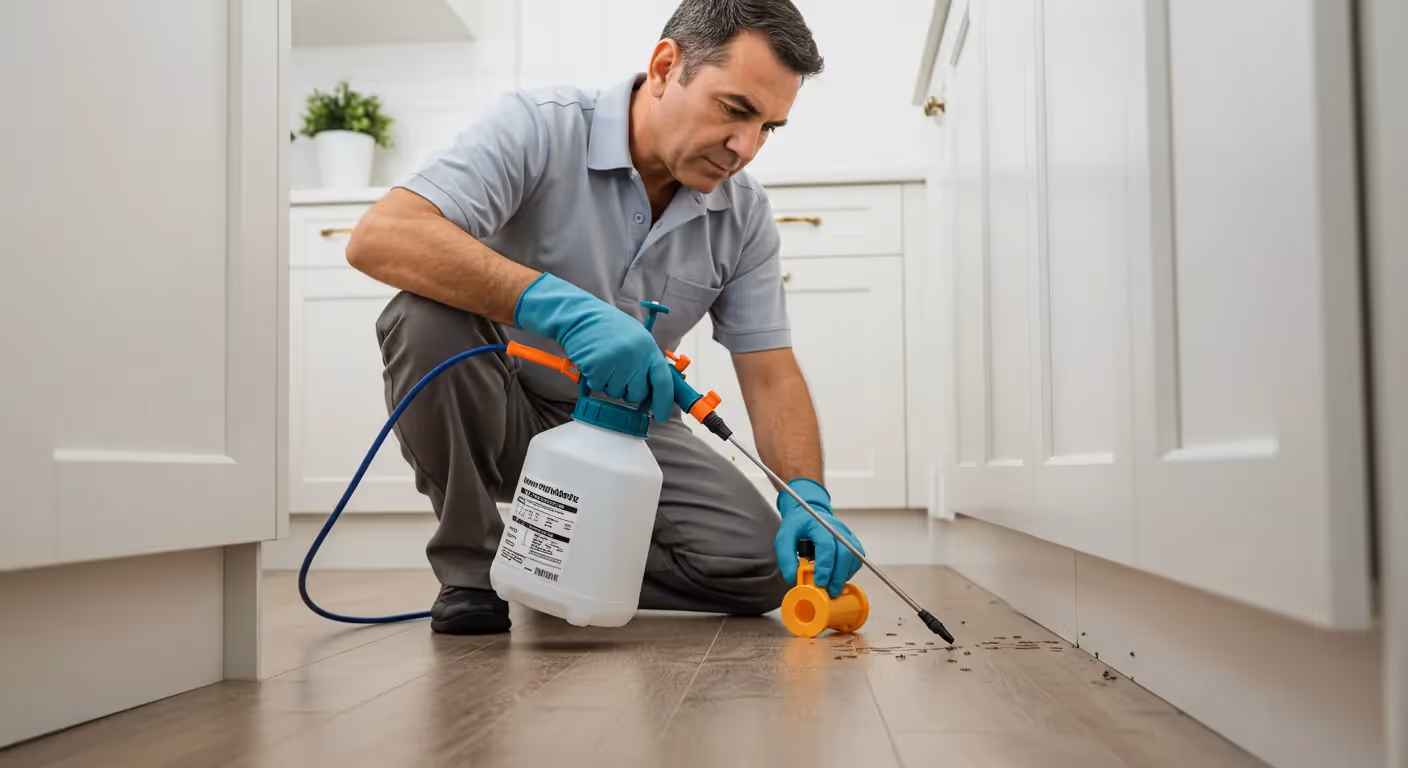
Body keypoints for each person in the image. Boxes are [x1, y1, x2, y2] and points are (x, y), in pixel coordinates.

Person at [345, 0, 866, 635]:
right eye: (734, 110)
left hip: (626, 428)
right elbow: (382, 237)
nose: (745, 148)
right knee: (424, 313)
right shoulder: (538, 128)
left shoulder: (744, 215)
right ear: (666, 65)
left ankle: (546, 562)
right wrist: (560, 309)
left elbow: (769, 372)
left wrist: (805, 494)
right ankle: (473, 569)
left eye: (769, 128)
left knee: (759, 567)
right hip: (497, 401)